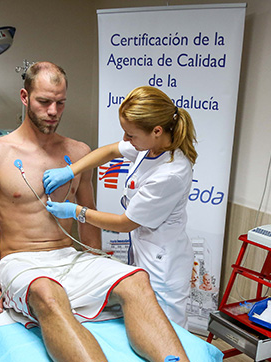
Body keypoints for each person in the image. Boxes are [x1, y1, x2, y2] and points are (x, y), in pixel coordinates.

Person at [0, 62, 216, 362]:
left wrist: (95, 258)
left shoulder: (77, 152)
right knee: (47, 292)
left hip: (71, 257)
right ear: (25, 97)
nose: (53, 110)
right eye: (44, 101)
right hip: (23, 261)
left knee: (136, 280)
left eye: (61, 102)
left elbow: (90, 216)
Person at [43, 85, 197, 328]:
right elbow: (111, 150)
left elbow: (125, 223)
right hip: (144, 250)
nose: (126, 140)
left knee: (167, 331)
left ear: (157, 130)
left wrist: (76, 212)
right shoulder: (150, 146)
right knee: (144, 322)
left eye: (130, 134)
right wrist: (71, 170)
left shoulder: (171, 173)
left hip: (163, 266)